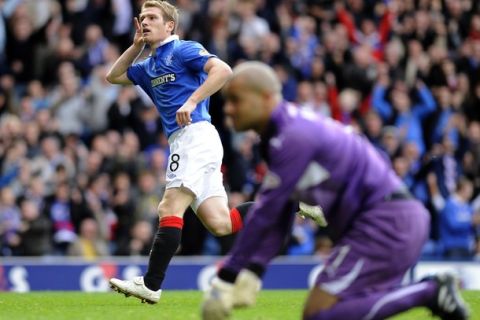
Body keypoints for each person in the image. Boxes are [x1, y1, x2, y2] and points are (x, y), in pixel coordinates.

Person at [201, 61, 470, 320]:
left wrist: (228, 277)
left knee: (319, 315)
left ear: (266, 97)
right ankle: (430, 292)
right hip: (384, 220)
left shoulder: (293, 136)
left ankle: (430, 292)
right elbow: (282, 209)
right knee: (321, 313)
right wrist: (256, 270)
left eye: (237, 100)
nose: (229, 110)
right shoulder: (280, 135)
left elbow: (266, 210)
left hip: (385, 222)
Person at [105, 0, 254, 304]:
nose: (144, 22)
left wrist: (192, 101)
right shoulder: (149, 65)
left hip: (194, 135)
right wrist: (136, 47)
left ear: (169, 25)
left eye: (152, 18)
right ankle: (289, 202)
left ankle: (151, 284)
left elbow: (222, 70)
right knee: (221, 223)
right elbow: (114, 76)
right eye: (142, 18)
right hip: (189, 141)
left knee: (168, 208)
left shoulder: (183, 49)